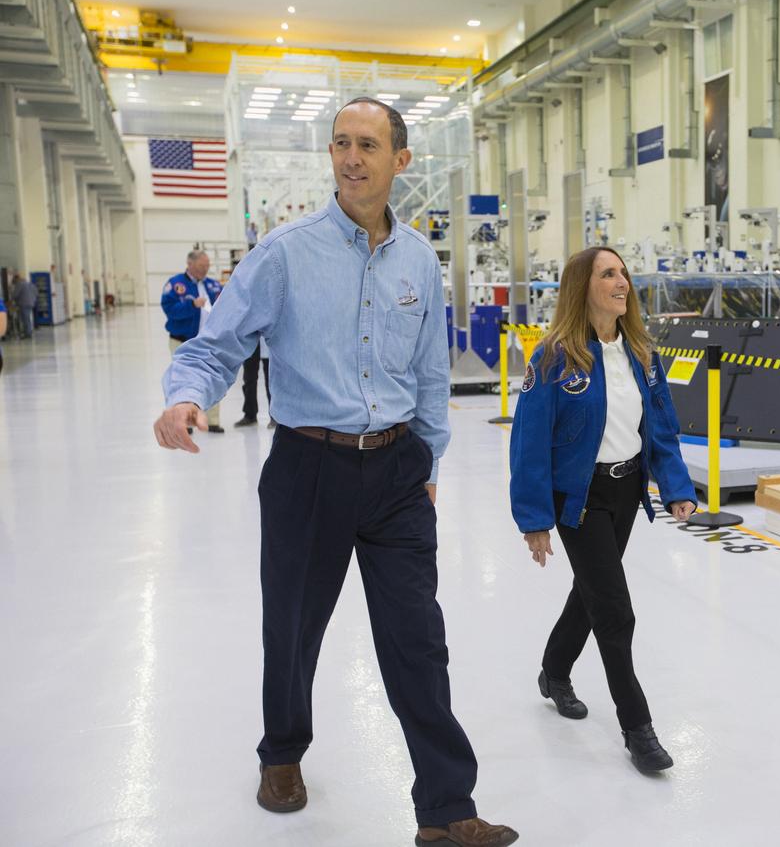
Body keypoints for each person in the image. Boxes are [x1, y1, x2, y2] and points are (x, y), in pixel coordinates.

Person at [152, 96, 517, 847]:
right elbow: (216, 344)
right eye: (341, 143)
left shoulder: (418, 260)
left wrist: (430, 460)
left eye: (368, 145)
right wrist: (187, 397)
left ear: (400, 160)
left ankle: (446, 807)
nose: (351, 158)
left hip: (397, 471)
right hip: (308, 466)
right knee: (293, 626)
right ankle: (282, 754)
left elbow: (429, 375)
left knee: (418, 637)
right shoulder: (285, 253)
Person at [509, 246, 698, 773]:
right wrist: (534, 520)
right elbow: (528, 442)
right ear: (582, 287)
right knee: (615, 610)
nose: (622, 283)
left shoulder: (641, 354)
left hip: (626, 491)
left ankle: (553, 670)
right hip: (580, 499)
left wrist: (675, 487)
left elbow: (661, 428)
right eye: (608, 274)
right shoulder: (553, 357)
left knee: (591, 590)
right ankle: (638, 728)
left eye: (623, 274)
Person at [160, 251, 225, 433]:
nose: (205, 270)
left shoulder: (213, 285)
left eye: (207, 266)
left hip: (208, 343)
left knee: (212, 378)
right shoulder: (175, 285)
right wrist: (191, 305)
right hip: (182, 341)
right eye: (201, 266)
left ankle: (213, 420)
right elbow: (170, 310)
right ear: (190, 264)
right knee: (182, 381)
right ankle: (184, 421)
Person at [234, 337, 272, 428]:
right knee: (249, 380)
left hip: (268, 342)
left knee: (271, 381)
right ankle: (250, 415)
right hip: (251, 342)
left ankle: (275, 417)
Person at [14, 274, 37, 339]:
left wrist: (12, 299)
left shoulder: (19, 284)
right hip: (31, 303)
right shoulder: (31, 284)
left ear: (17, 279)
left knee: (25, 319)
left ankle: (27, 334)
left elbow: (15, 294)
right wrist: (32, 300)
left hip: (24, 304)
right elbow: (36, 293)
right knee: (27, 318)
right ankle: (29, 332)